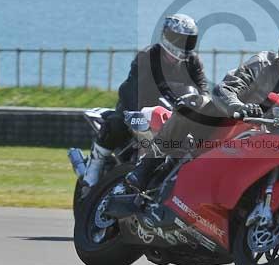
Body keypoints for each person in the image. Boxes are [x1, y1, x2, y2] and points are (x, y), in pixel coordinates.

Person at [125, 21, 279, 191]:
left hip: (272, 142)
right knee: (194, 103)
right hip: (232, 127)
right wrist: (238, 106)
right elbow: (226, 88)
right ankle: (146, 167)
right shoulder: (265, 64)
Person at [88, 14, 208, 182]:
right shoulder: (148, 56)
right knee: (116, 124)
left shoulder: (193, 62)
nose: (183, 44)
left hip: (171, 115)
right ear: (167, 36)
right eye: (179, 38)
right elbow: (129, 90)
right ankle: (92, 170)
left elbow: (203, 92)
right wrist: (135, 113)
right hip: (138, 109)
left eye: (188, 40)